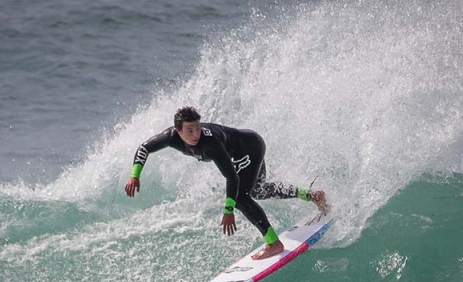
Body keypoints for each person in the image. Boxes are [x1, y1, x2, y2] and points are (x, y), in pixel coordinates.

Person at [124, 106, 327, 260]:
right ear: (178, 131)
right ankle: (311, 195)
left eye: (197, 128)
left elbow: (232, 177)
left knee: (240, 198)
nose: (196, 134)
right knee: (258, 190)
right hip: (246, 147)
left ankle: (273, 243)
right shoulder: (169, 137)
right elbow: (144, 148)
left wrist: (228, 210)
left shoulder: (210, 145)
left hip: (250, 148)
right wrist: (135, 175)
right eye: (190, 131)